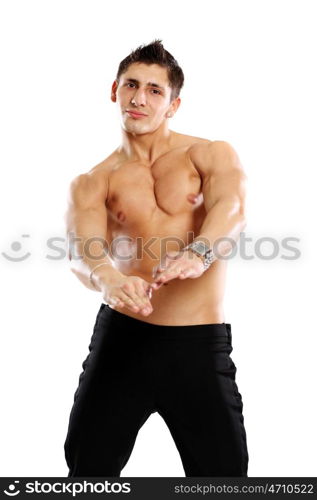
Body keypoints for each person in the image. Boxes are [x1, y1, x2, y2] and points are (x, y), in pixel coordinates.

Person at [63, 39, 249, 477]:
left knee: (224, 479)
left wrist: (200, 252)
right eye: (131, 85)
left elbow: (233, 210)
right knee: (87, 472)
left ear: (173, 104)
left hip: (198, 344)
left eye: (154, 90)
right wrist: (108, 278)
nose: (139, 98)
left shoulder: (209, 154)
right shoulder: (93, 181)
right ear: (114, 90)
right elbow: (82, 250)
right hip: (123, 340)